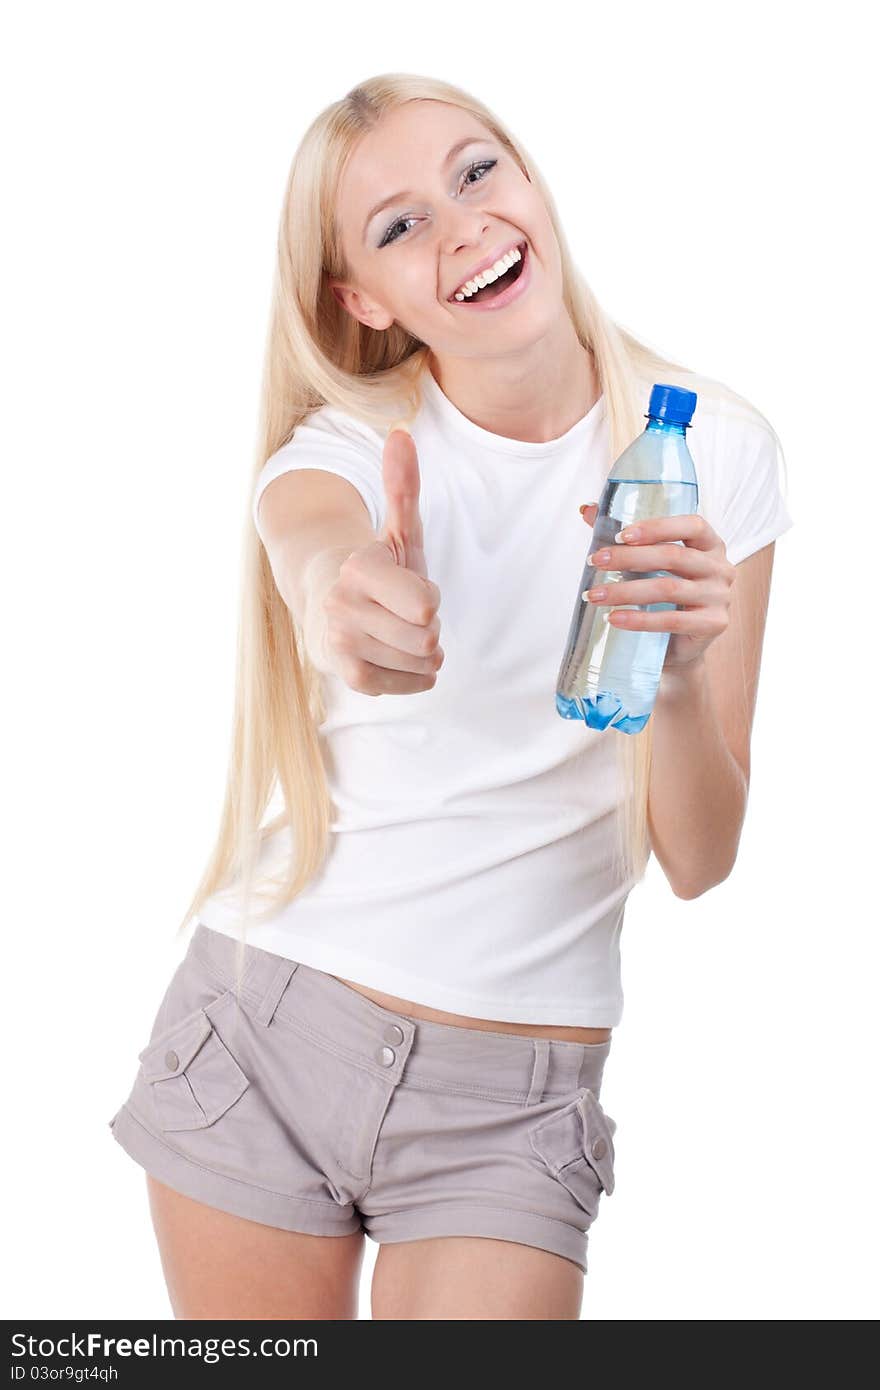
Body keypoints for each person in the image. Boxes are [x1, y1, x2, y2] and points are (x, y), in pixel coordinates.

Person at [107, 75, 793, 1321]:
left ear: (529, 183)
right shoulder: (353, 448)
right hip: (267, 1027)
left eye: (477, 173)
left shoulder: (717, 455)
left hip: (514, 1090)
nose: (464, 222)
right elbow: (310, 543)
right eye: (397, 223)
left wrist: (681, 677)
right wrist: (342, 594)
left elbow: (700, 861)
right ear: (362, 300)